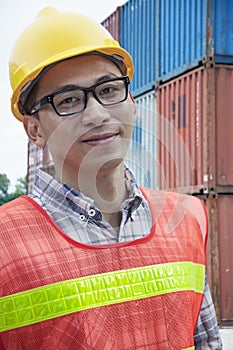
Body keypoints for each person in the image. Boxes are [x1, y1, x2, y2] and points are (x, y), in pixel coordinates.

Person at [0, 7, 222, 350]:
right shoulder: (4, 240)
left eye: (108, 90)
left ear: (131, 101)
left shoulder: (187, 219)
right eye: (69, 100)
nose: (97, 114)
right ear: (34, 129)